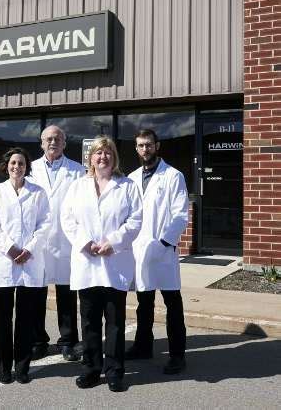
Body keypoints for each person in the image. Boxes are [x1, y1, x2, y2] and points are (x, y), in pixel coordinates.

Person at [61, 136, 142, 392]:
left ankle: (115, 371)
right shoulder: (77, 186)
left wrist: (113, 242)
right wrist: (85, 242)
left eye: (107, 153)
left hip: (114, 261)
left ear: (114, 157)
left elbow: (135, 220)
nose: (102, 157)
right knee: (89, 321)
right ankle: (91, 369)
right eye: (98, 153)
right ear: (91, 158)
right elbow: (67, 219)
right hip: (87, 261)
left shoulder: (127, 186)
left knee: (115, 321)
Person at [0, 147, 51, 385]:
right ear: (7, 165)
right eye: (13, 163)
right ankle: (3, 367)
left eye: (21, 163)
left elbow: (45, 224)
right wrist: (10, 248)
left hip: (30, 261)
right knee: (3, 318)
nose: (17, 167)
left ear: (27, 167)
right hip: (5, 261)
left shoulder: (38, 192)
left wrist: (29, 249)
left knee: (25, 319)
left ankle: (22, 367)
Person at [127, 129, 189, 375]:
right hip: (139, 251)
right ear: (136, 148)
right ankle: (143, 346)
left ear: (157, 146)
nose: (145, 150)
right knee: (144, 302)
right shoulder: (131, 178)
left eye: (149, 145)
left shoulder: (173, 176)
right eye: (141, 146)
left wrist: (163, 243)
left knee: (173, 304)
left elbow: (180, 215)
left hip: (163, 251)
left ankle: (177, 355)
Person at [30, 125, 85, 361]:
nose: (53, 142)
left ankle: (68, 341)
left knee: (66, 294)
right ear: (41, 143)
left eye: (58, 139)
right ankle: (38, 340)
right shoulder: (29, 168)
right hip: (38, 241)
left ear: (65, 143)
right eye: (48, 139)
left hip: (66, 240)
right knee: (36, 294)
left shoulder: (78, 170)